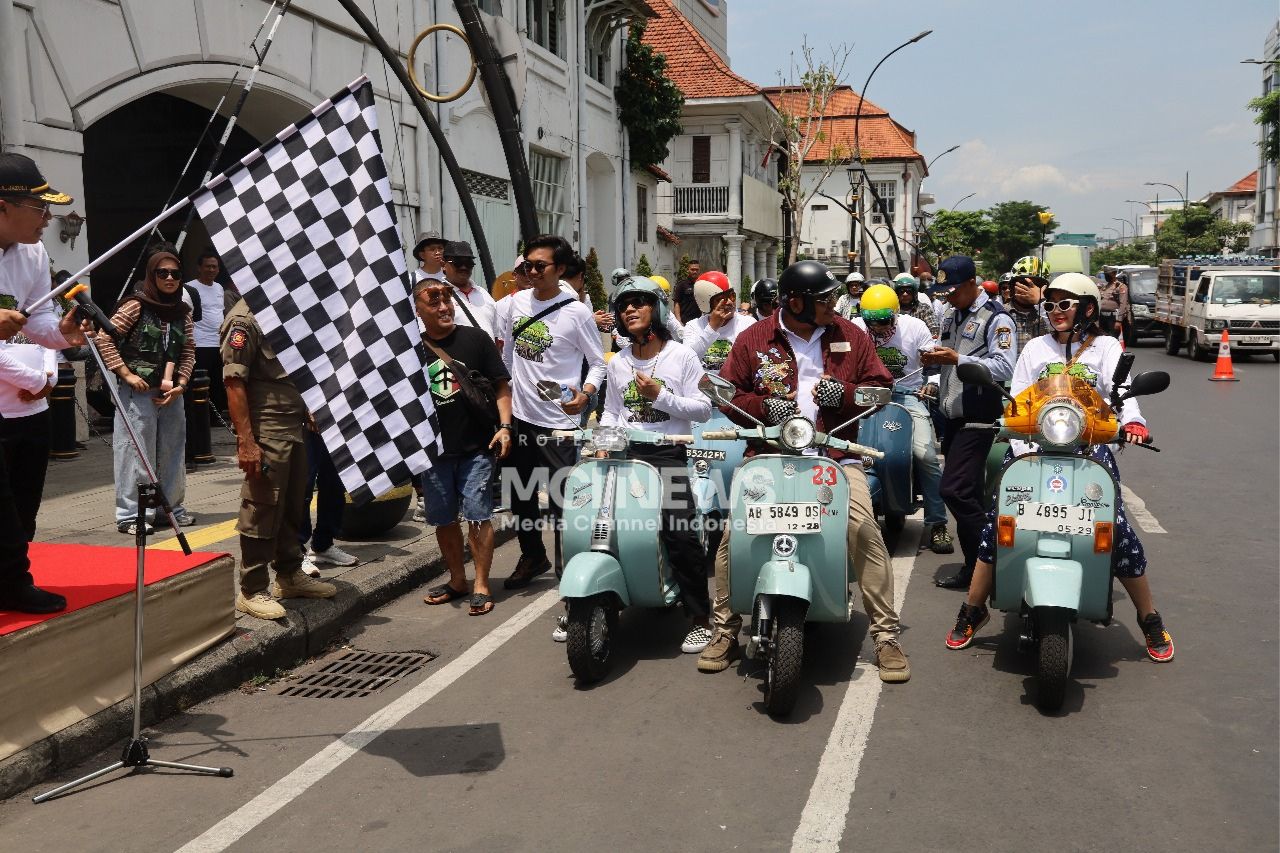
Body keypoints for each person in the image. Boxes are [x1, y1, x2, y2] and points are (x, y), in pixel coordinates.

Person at [698, 260, 910, 683]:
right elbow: (726, 394)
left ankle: (886, 636)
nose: (835, 304)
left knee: (864, 530)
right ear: (796, 302)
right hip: (768, 454)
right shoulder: (753, 338)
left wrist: (846, 394)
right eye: (825, 299)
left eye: (834, 297)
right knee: (729, 539)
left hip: (835, 456)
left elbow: (882, 387)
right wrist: (763, 407)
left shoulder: (852, 335)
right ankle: (725, 629)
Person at [945, 273, 1174, 662]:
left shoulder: (1105, 348)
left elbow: (1123, 395)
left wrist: (1134, 424)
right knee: (1000, 524)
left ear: (1087, 307)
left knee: (1115, 528)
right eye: (1049, 305)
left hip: (1089, 449)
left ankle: (1149, 617)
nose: (1054, 312)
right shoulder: (1035, 348)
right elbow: (1016, 401)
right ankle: (974, 609)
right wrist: (1016, 442)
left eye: (1063, 304)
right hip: (1035, 448)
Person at [596, 276, 712, 651]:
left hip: (667, 455)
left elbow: (704, 409)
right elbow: (612, 411)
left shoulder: (682, 356)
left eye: (639, 302)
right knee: (591, 524)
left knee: (679, 532)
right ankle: (587, 601)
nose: (629, 309)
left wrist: (661, 396)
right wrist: (603, 443)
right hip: (623, 456)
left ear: (657, 309)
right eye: (623, 304)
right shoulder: (618, 362)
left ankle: (699, 616)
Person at [0, 153, 92, 613]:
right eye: (39, 210)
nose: (48, 219)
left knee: (24, 505)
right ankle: (14, 579)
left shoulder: (34, 252)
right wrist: (32, 376)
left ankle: (11, 581)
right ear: (3, 207)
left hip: (29, 404)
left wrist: (62, 341)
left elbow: (39, 322)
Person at [499, 235, 606, 590]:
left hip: (559, 422)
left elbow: (597, 364)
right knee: (519, 494)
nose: (531, 272)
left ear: (559, 269)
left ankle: (570, 572)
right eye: (527, 265)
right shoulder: (516, 305)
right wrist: (504, 400)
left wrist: (585, 395)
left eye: (539, 266)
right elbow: (509, 356)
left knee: (563, 502)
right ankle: (533, 555)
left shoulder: (575, 312)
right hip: (520, 416)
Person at [221, 299, 336, 619]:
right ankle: (252, 588)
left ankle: (288, 575)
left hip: (295, 425)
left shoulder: (282, 308)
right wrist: (246, 442)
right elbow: (234, 382)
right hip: (267, 429)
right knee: (262, 506)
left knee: (295, 502)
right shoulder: (244, 320)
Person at [416, 279, 513, 616]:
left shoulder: (475, 339)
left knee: (478, 514)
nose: (443, 307)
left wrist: (504, 427)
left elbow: (502, 386)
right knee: (444, 519)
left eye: (447, 300)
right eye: (434, 302)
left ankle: (481, 583)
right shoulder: (410, 348)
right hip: (434, 453)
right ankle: (457, 579)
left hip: (477, 447)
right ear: (418, 309)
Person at [921, 255, 1018, 590]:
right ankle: (974, 569)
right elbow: (948, 362)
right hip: (951, 418)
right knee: (970, 496)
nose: (946, 297)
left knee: (954, 490)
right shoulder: (952, 315)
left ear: (969, 285)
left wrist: (958, 358)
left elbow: (1005, 367)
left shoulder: (997, 318)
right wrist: (934, 371)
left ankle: (991, 562)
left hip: (978, 420)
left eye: (951, 290)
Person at [95, 249, 197, 534]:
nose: (169, 278)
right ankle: (132, 515)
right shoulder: (134, 306)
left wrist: (182, 384)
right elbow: (105, 339)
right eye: (162, 273)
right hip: (136, 392)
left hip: (171, 393)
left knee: (173, 450)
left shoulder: (182, 312)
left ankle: (171, 509)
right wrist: (126, 374)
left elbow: (188, 351)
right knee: (134, 452)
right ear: (151, 275)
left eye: (175, 274)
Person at [854, 284, 952, 554]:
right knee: (843, 452)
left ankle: (937, 523)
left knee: (925, 455)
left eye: (883, 321)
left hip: (908, 396)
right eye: (870, 321)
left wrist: (931, 383)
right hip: (865, 398)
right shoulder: (854, 327)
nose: (877, 327)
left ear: (896, 314)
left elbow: (934, 364)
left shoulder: (916, 327)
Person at [683, 270, 755, 370]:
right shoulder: (693, 326)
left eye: (731, 296)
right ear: (706, 303)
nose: (729, 302)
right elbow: (686, 361)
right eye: (722, 299)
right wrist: (712, 329)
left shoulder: (748, 323)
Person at [186, 251, 228, 415]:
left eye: (214, 267)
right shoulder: (189, 287)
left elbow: (220, 312)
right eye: (207, 266)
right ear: (199, 268)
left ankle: (215, 415)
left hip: (219, 342)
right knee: (200, 382)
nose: (211, 270)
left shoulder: (219, 288)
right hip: (200, 342)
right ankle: (199, 415)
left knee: (218, 380)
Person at [442, 241, 497, 339]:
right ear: (443, 265)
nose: (464, 267)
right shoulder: (438, 295)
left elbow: (496, 334)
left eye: (469, 263)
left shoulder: (483, 293)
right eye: (457, 263)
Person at [1006, 256, 1051, 353]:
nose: (1030, 289)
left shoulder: (1050, 314)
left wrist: (1040, 303)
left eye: (1036, 284)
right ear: (1012, 286)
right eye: (1023, 283)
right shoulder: (1000, 314)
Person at [1098, 266, 1129, 339]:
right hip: (1102, 317)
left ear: (1114, 274)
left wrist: (1119, 321)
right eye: (1105, 275)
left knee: (1112, 339)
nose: (1106, 276)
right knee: (1103, 339)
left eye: (1108, 274)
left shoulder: (1120, 287)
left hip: (1113, 318)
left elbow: (1123, 304)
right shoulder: (1105, 287)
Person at [672, 258, 702, 324]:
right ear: (688, 270)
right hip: (685, 321)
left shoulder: (702, 284)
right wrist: (678, 321)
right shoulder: (681, 285)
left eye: (697, 270)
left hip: (700, 321)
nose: (695, 272)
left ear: (699, 270)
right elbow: (677, 303)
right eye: (692, 269)